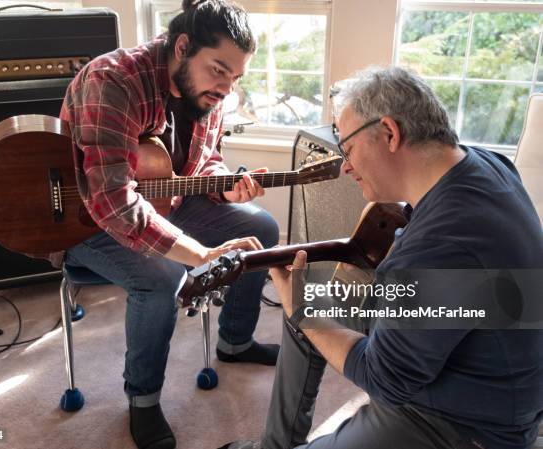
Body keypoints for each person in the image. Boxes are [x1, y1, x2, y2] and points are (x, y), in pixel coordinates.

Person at [221, 67, 543, 449]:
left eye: (347, 148)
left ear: (390, 133)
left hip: (466, 423)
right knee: (312, 304)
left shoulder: (441, 243)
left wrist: (301, 311)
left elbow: (384, 379)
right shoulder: (487, 164)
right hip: (469, 343)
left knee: (305, 312)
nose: (345, 165)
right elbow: (446, 285)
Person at [59, 1, 280, 448]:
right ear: (182, 46)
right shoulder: (114, 81)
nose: (225, 88)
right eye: (219, 70)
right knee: (163, 276)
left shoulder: (211, 95)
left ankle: (235, 342)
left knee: (264, 228)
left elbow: (203, 164)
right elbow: (114, 202)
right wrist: (197, 255)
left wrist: (225, 186)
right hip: (81, 219)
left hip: (165, 203)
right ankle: (142, 399)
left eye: (235, 78)